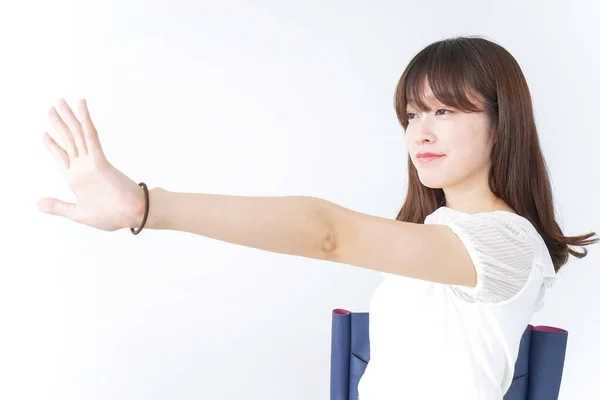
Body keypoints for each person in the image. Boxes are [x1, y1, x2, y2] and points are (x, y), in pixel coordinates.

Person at [37, 35, 598, 399]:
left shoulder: (505, 243)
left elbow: (328, 234)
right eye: (411, 114)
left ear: (503, 124)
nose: (420, 132)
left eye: (444, 110)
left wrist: (146, 206)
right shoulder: (437, 236)